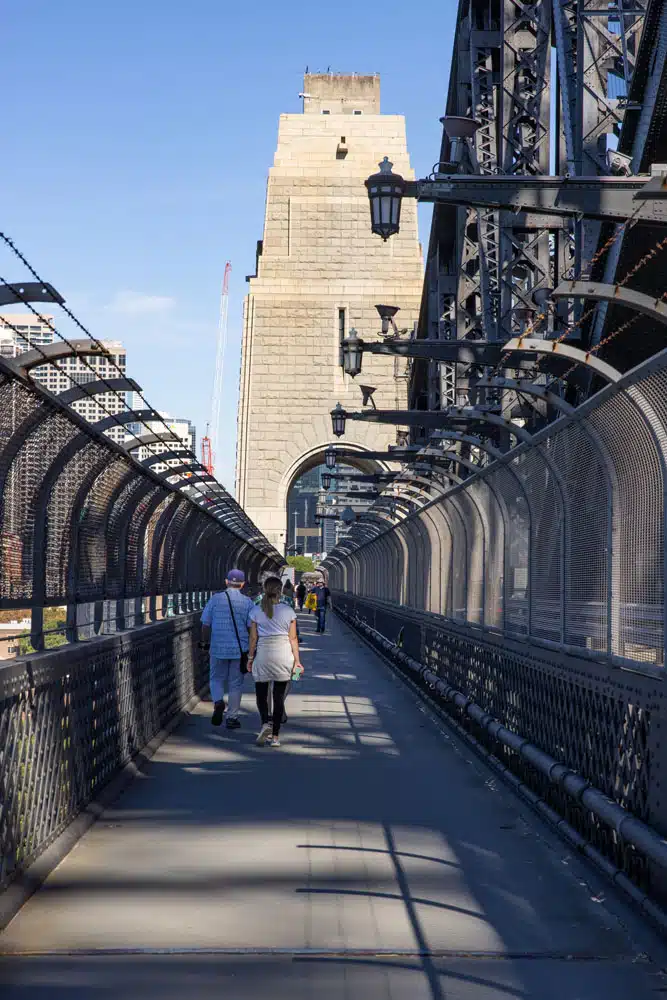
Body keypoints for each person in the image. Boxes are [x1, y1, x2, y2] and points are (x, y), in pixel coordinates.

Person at [247, 576, 303, 747]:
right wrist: (297, 662)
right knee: (278, 698)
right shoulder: (288, 611)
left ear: (264, 589)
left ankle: (265, 723)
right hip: (283, 654)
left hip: (263, 653)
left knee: (261, 695)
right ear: (280, 591)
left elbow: (253, 638)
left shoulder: (256, 611)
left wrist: (250, 658)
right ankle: (276, 737)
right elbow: (293, 638)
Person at [200, 569, 254, 729]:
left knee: (216, 678)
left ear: (226, 582)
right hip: (239, 649)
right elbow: (252, 628)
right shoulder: (248, 602)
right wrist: (252, 650)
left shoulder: (215, 599)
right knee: (235, 684)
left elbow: (205, 624)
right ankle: (232, 717)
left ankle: (218, 702)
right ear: (242, 584)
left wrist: (205, 642)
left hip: (217, 647)